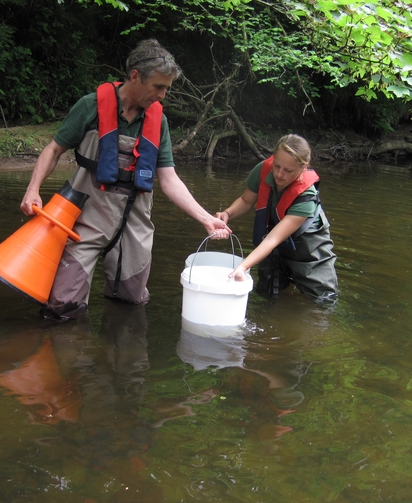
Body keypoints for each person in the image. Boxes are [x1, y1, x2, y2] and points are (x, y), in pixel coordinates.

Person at [20, 39, 231, 321]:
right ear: (134, 76)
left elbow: (169, 180)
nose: (164, 95)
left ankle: (120, 363)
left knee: (130, 308)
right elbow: (54, 149)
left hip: (135, 224)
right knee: (62, 308)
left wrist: (205, 218)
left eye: (167, 88)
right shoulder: (91, 106)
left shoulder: (160, 122)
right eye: (158, 87)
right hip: (84, 219)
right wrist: (33, 189)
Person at [215, 134, 338, 304]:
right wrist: (227, 213)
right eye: (277, 166)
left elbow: (272, 239)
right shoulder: (262, 170)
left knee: (321, 302)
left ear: (304, 167)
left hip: (309, 248)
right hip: (274, 242)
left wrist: (243, 267)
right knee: (266, 294)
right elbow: (245, 200)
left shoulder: (306, 198)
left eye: (288, 170)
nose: (279, 174)